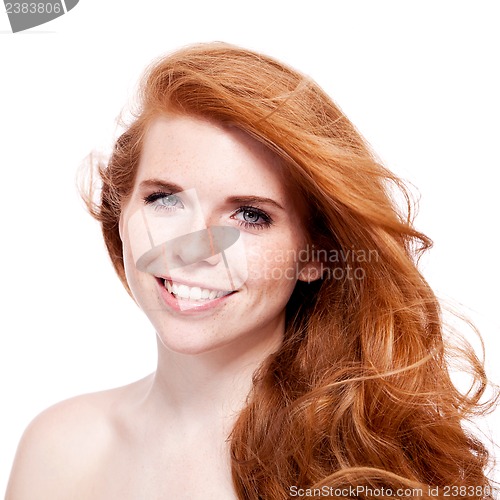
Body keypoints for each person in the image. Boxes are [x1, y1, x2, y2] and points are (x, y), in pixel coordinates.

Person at [6, 42, 497, 499]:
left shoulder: (377, 468)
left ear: (314, 255)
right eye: (165, 199)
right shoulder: (57, 450)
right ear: (122, 211)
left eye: (250, 215)